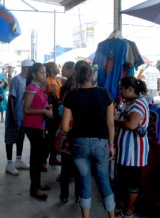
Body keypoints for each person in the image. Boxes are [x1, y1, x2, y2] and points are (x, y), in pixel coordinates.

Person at [61, 60, 116, 218]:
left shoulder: (71, 95)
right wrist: (111, 146)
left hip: (79, 143)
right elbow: (110, 124)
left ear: (76, 75)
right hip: (101, 143)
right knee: (104, 181)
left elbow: (64, 127)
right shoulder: (104, 93)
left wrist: (75, 132)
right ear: (92, 74)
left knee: (84, 183)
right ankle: (111, 216)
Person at [114, 76, 150, 218]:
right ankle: (123, 208)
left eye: (122, 89)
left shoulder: (139, 104)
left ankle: (128, 212)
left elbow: (131, 124)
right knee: (123, 182)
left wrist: (113, 121)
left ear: (130, 89)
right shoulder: (129, 102)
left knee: (131, 184)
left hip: (134, 152)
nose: (120, 91)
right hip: (125, 152)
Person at [23, 63, 53, 201]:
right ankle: (34, 188)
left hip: (40, 124)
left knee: (40, 155)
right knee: (36, 157)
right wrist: (43, 111)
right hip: (32, 126)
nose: (44, 75)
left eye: (45, 72)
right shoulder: (31, 88)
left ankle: (37, 183)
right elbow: (27, 109)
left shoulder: (39, 87)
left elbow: (39, 104)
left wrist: (47, 107)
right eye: (41, 73)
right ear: (34, 74)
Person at [4, 59, 33, 176]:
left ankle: (19, 160)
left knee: (20, 138)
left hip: (23, 116)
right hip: (15, 116)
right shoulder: (17, 80)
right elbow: (11, 98)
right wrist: (13, 116)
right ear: (26, 68)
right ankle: (9, 164)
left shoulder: (27, 81)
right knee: (10, 140)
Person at [57, 61, 78, 203]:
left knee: (65, 167)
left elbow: (60, 112)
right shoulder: (90, 96)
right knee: (79, 169)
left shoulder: (69, 96)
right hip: (81, 137)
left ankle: (64, 195)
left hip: (68, 136)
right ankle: (78, 197)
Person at [44, 62, 62, 167]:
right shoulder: (48, 81)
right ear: (51, 69)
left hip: (57, 112)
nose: (58, 68)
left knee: (55, 136)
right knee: (49, 137)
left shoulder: (57, 80)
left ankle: (53, 157)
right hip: (51, 112)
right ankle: (43, 160)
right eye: (56, 66)